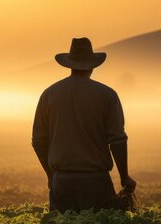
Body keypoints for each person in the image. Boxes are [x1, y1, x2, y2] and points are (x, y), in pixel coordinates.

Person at [32, 37, 136, 212]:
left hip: (62, 183)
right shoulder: (107, 95)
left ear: (69, 64)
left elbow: (38, 142)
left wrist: (51, 176)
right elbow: (117, 140)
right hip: (96, 182)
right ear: (93, 65)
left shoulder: (49, 95)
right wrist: (124, 177)